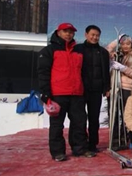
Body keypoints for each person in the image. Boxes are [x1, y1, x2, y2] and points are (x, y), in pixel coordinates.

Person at [38, 22, 94, 161]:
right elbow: (43, 73)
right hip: (58, 94)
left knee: (79, 123)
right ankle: (58, 152)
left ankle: (80, 149)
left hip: (77, 93)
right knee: (57, 125)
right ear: (58, 33)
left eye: (71, 32)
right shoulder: (49, 50)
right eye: (65, 31)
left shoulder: (78, 51)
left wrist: (85, 91)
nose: (68, 34)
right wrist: (46, 93)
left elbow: (84, 73)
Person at [76, 25, 110, 153]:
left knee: (94, 118)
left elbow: (105, 72)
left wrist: (106, 88)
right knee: (80, 118)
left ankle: (93, 144)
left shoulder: (103, 52)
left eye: (97, 35)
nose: (95, 37)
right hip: (80, 89)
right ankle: (80, 143)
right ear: (86, 35)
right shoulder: (78, 49)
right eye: (92, 35)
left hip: (96, 90)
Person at [107, 34, 132, 149]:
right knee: (114, 113)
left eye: (128, 44)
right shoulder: (115, 55)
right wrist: (117, 39)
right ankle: (115, 137)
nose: (125, 46)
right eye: (123, 43)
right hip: (114, 87)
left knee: (126, 113)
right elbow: (106, 50)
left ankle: (125, 136)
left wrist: (122, 68)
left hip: (127, 88)